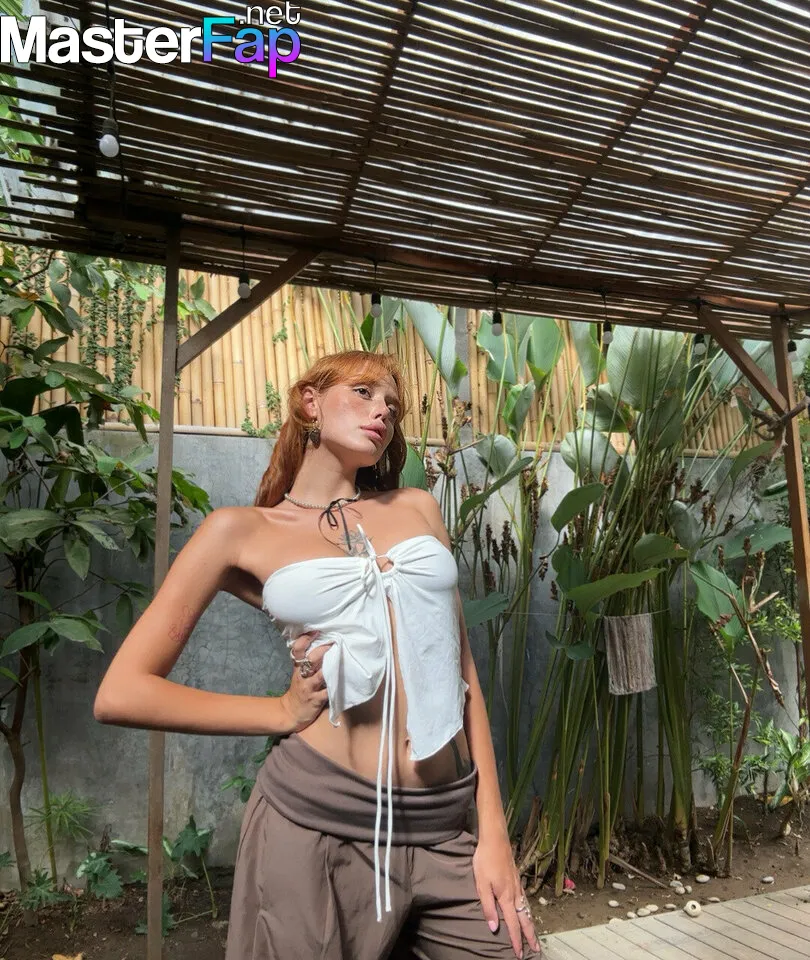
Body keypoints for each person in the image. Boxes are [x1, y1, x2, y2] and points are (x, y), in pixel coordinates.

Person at [94, 349, 541, 959]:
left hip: (442, 823)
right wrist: (278, 712)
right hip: (314, 823)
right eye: (363, 393)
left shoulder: (417, 507)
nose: (382, 412)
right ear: (310, 402)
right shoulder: (240, 531)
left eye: (392, 406)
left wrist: (495, 835)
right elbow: (122, 692)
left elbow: (463, 675)